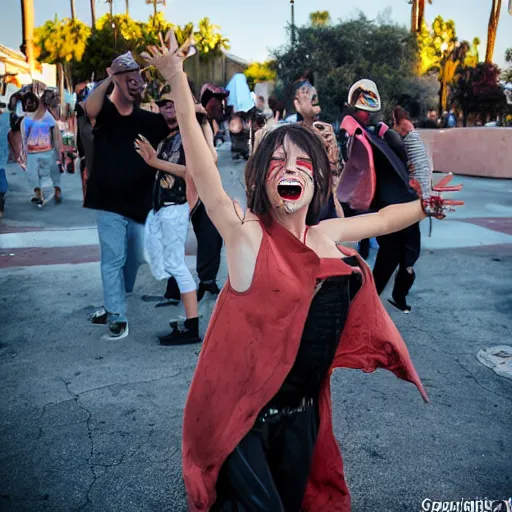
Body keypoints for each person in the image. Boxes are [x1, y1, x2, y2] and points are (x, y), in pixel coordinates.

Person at [142, 31, 462, 512]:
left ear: (316, 178)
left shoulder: (325, 235)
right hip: (242, 419)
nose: (288, 168)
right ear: (261, 181)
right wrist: (177, 80)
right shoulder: (247, 235)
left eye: (300, 162)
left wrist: (424, 206)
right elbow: (205, 169)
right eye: (275, 161)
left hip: (304, 415)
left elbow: (380, 220)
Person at [84, 51, 169, 340]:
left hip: (139, 204)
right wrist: (111, 77)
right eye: (131, 79)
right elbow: (90, 108)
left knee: (132, 260)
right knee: (113, 258)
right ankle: (117, 315)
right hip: (108, 201)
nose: (138, 84)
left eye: (139, 80)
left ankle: (112, 304)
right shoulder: (106, 115)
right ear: (119, 81)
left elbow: (177, 122)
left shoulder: (149, 119)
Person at [134, 90, 201, 345]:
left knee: (177, 265)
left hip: (176, 206)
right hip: (165, 207)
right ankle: (188, 322)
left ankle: (192, 327)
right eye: (163, 104)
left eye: (173, 103)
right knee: (169, 262)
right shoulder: (167, 138)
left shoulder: (188, 136)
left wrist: (154, 162)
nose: (168, 108)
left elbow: (189, 171)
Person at [163, 82, 223, 304]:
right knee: (172, 237)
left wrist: (204, 120)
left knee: (210, 232)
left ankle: (207, 282)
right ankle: (174, 286)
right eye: (165, 103)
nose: (170, 107)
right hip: (171, 189)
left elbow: (213, 156)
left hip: (199, 187)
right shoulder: (159, 125)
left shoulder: (197, 122)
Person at [20, 85, 63, 206]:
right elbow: (55, 132)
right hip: (42, 150)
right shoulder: (40, 117)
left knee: (36, 173)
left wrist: (58, 150)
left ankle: (48, 191)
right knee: (47, 171)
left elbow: (55, 134)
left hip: (39, 151)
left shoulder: (30, 120)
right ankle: (48, 190)